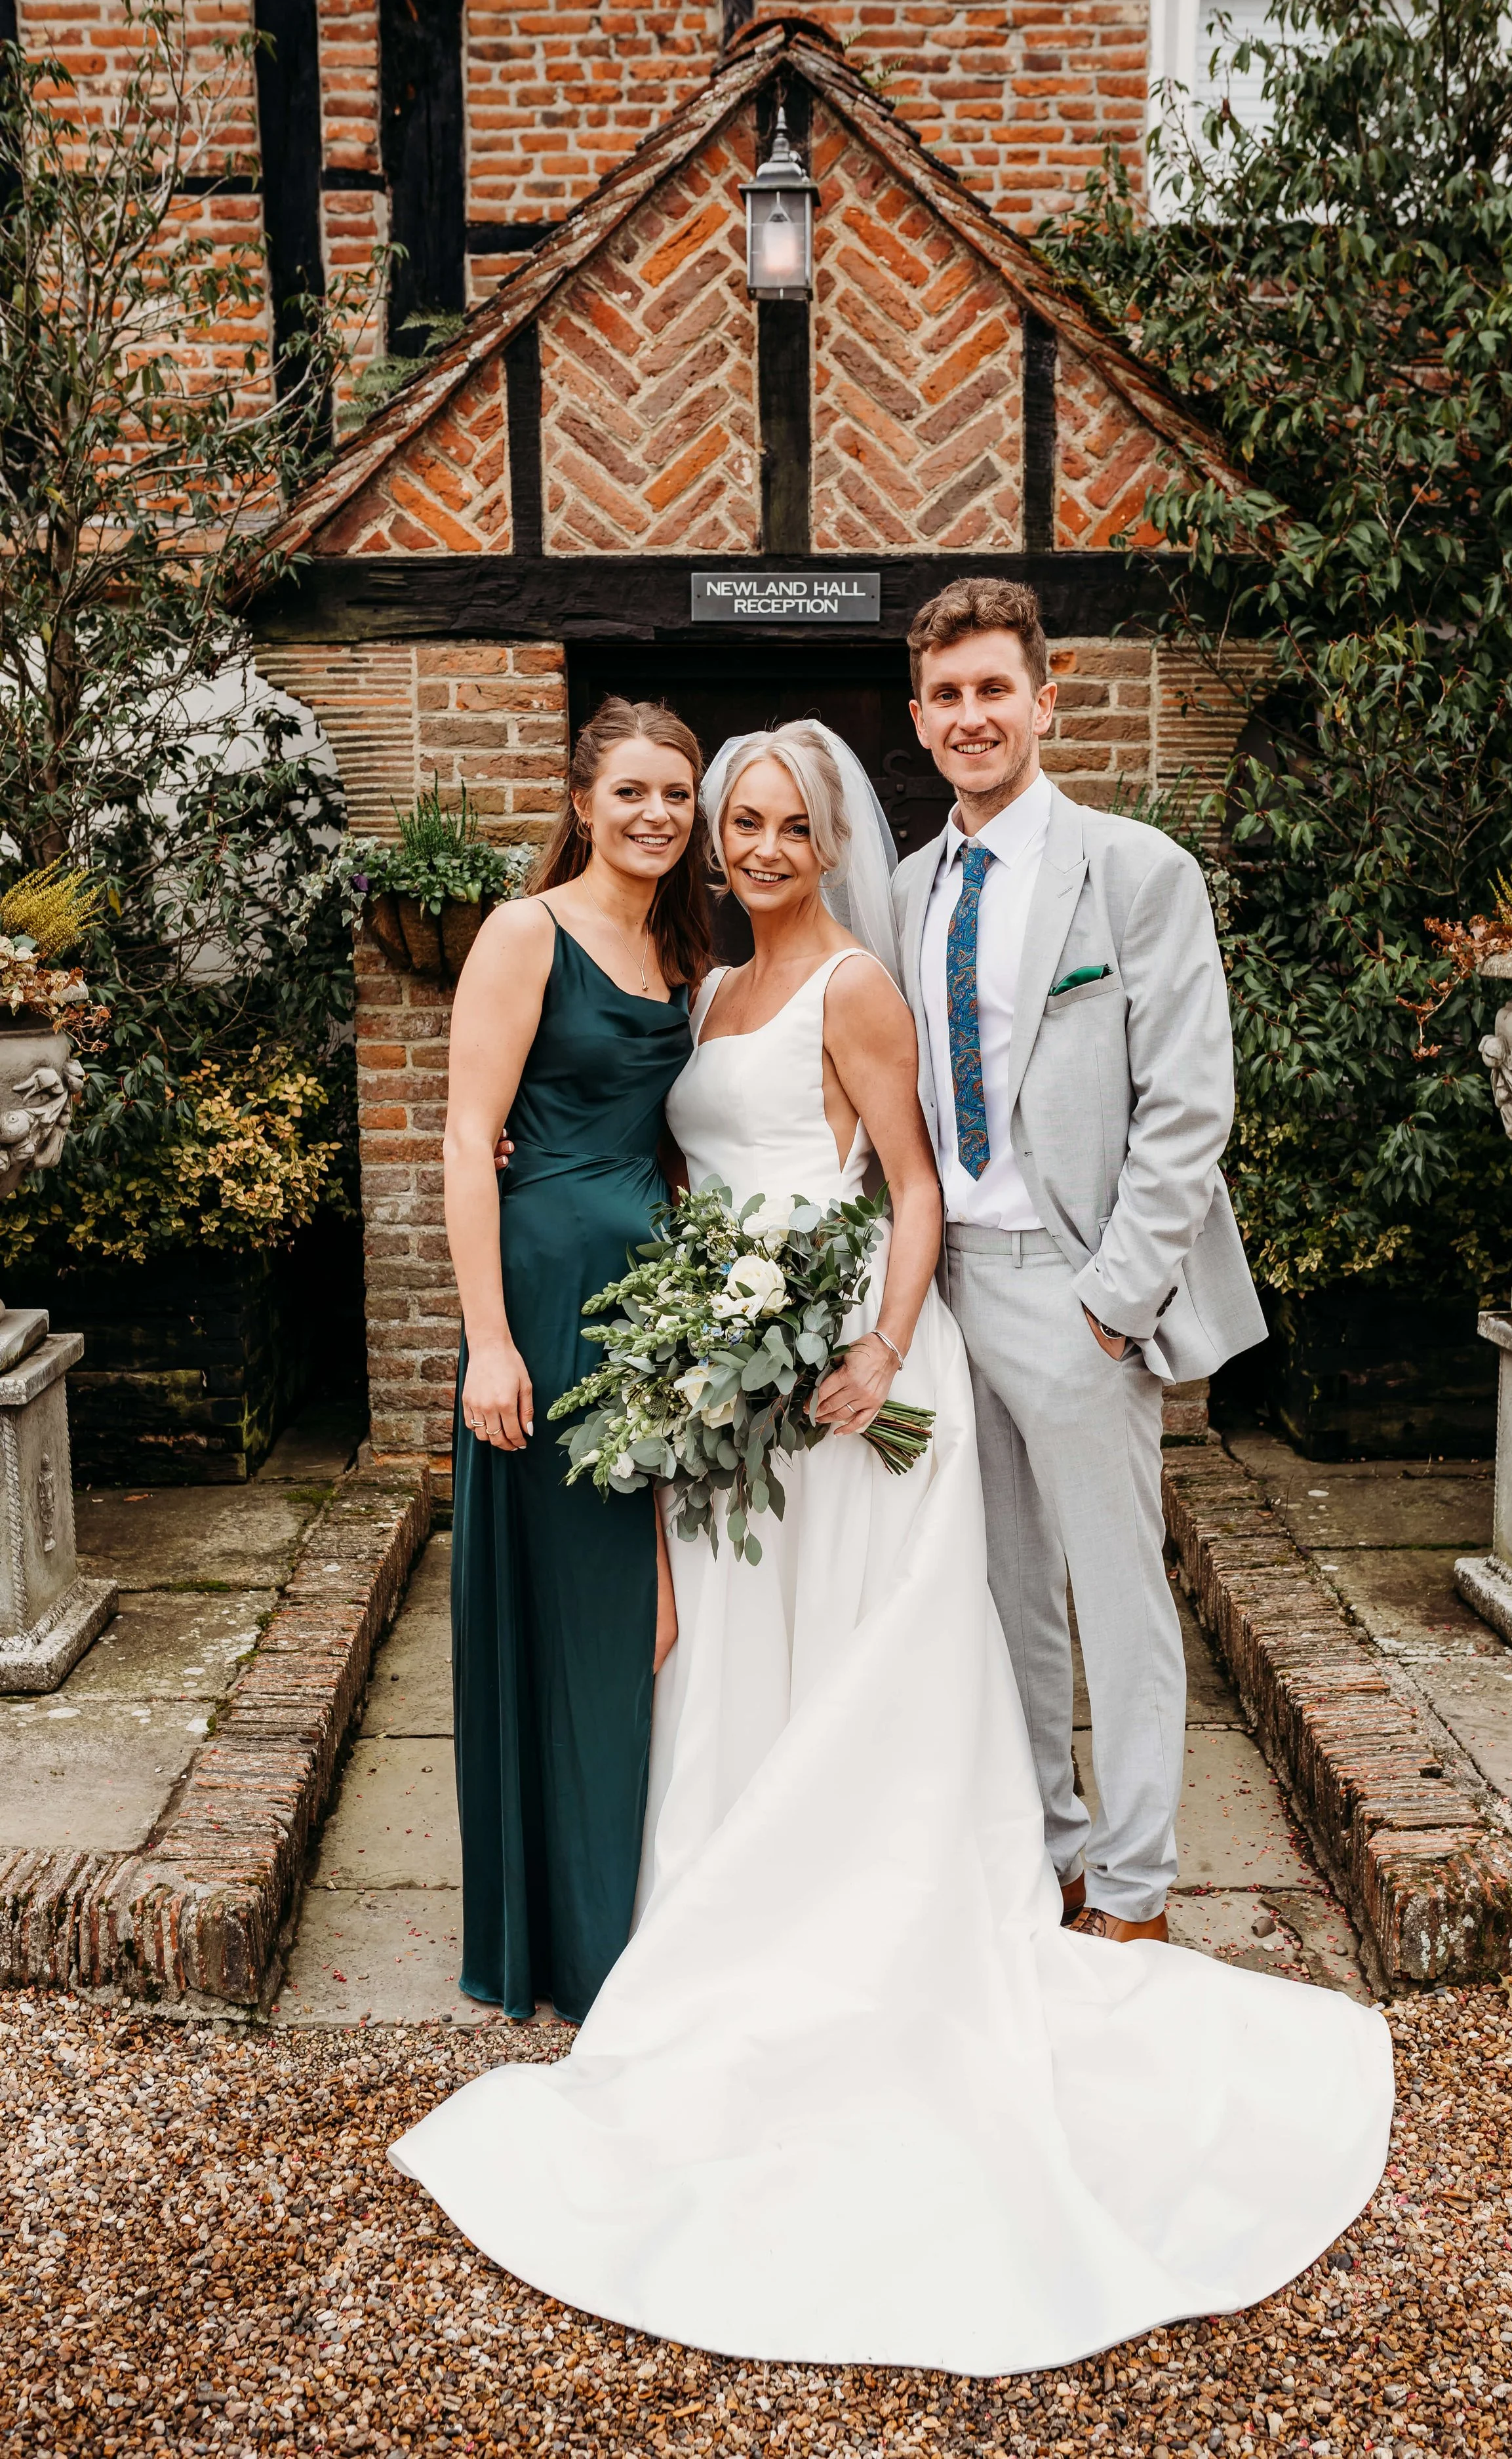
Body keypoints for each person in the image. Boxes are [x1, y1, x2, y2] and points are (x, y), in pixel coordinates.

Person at [394, 716, 1393, 2376]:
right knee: (722, 1640)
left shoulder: (857, 980)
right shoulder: (698, 981)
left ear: (825, 832)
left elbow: (908, 1184)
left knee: (878, 1642)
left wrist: (868, 1344)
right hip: (715, 1362)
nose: (756, 846)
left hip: (844, 1370)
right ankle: (704, 1899)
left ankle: (980, 1896)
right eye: (735, 823)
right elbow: (647, 1141)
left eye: (780, 822)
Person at [895, 574, 1269, 1940]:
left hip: (1073, 1289)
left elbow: (1187, 1103)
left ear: (1044, 701)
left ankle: (1133, 1889)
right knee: (1003, 1596)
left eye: (995, 689)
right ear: (918, 715)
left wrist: (1114, 1304)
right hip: (947, 1296)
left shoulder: (1133, 871)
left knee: (1116, 1601)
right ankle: (1047, 1854)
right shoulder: (904, 889)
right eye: (946, 694)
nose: (971, 715)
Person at [441, 694, 711, 2026]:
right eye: (632, 794)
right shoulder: (521, 933)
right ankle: (563, 1945)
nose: (656, 815)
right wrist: (486, 1342)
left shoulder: (677, 941)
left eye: (676, 794)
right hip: (544, 1301)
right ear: (580, 799)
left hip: (647, 1299)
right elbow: (461, 1140)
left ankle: (626, 1910)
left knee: (638, 1614)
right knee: (571, 1607)